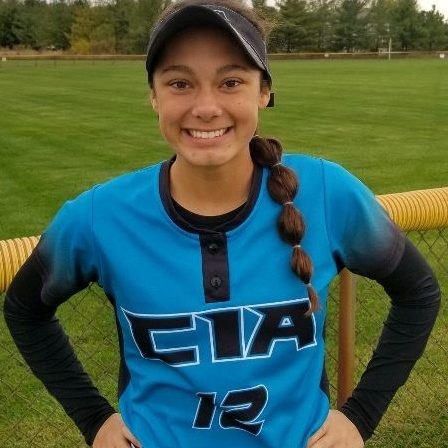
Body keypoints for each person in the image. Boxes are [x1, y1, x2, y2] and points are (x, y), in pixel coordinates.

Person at [3, 1, 440, 447]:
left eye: (231, 82)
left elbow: (418, 292)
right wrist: (95, 419)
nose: (206, 107)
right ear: (154, 95)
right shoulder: (101, 215)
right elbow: (24, 309)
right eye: (180, 83)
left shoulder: (325, 193)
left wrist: (359, 416)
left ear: (263, 91)